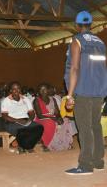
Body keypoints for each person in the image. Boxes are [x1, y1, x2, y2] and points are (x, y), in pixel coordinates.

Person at [64, 11, 107, 175]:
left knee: (84, 127)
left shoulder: (77, 40)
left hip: (83, 90)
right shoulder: (101, 42)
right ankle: (98, 161)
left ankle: (85, 165)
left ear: (77, 25)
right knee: (95, 126)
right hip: (100, 91)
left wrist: (70, 95)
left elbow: (75, 68)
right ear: (91, 25)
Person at [1, 82, 43, 153]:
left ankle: (25, 146)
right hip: (12, 122)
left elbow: (32, 113)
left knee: (39, 127)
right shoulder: (6, 100)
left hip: (25, 120)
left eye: (18, 88)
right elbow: (5, 116)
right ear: (10, 90)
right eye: (14, 89)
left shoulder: (25, 99)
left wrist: (29, 120)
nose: (16, 91)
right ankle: (26, 147)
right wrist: (18, 120)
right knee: (22, 130)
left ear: (20, 89)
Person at [34, 83, 73, 151]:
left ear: (48, 90)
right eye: (41, 90)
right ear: (38, 91)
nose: (43, 91)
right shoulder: (36, 100)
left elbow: (57, 112)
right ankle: (48, 145)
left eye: (45, 89)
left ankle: (65, 144)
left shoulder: (53, 99)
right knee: (49, 122)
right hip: (42, 119)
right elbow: (39, 115)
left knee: (66, 120)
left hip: (53, 117)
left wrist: (59, 117)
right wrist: (53, 118)